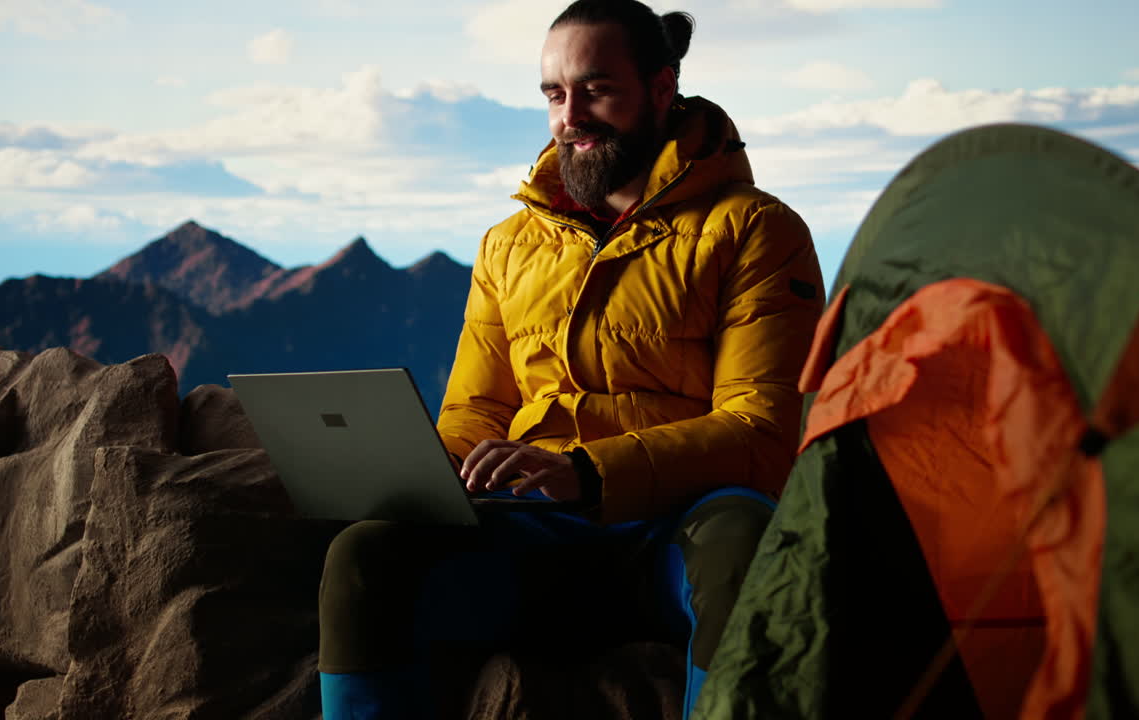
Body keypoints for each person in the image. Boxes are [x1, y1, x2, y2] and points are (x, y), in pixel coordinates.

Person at [316, 1, 825, 717]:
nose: (571, 115)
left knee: (744, 537)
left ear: (660, 88)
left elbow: (764, 433)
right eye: (555, 95)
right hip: (533, 530)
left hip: (674, 533)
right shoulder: (507, 245)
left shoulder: (756, 231)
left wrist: (587, 474)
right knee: (365, 554)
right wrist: (413, 479)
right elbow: (477, 410)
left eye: (596, 89)